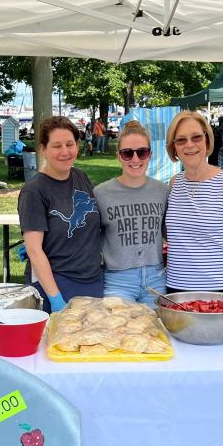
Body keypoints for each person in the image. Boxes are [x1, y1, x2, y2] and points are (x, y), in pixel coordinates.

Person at [18, 116, 103, 313]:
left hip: (92, 281)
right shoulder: (34, 191)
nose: (65, 152)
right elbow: (34, 250)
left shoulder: (81, 176)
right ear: (43, 149)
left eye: (69, 144)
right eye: (56, 146)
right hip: (56, 285)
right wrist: (55, 298)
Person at [164, 110, 223, 295]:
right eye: (181, 140)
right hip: (176, 289)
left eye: (196, 137)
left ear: (207, 140)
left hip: (220, 289)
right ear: (174, 148)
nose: (189, 145)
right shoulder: (174, 183)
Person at [95, 121, 169, 307]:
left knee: (155, 333)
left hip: (156, 278)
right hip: (118, 280)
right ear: (118, 156)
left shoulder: (162, 191)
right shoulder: (100, 193)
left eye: (142, 152)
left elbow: (172, 232)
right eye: (127, 153)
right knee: (119, 332)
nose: (135, 159)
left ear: (150, 154)